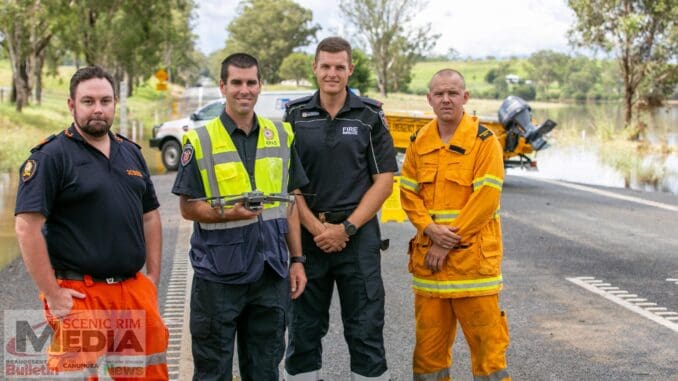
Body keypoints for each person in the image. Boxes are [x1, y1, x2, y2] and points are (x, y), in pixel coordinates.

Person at [14, 66, 168, 380]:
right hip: (79, 295)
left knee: (146, 373)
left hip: (131, 290)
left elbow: (150, 216)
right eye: (88, 101)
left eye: (105, 100)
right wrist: (52, 294)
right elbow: (27, 226)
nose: (98, 108)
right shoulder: (51, 157)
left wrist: (152, 276)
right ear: (72, 105)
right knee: (79, 376)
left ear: (115, 104)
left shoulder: (130, 153)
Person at [171, 52, 308, 381]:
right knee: (212, 371)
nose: (244, 90)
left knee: (264, 370)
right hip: (219, 276)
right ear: (223, 86)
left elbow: (289, 202)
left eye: (251, 82)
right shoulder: (200, 140)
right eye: (236, 83)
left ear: (260, 86)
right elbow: (188, 207)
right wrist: (229, 212)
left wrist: (298, 260)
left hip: (270, 273)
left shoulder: (281, 136)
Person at [284, 36, 397, 381]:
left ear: (350, 70)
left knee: (365, 331)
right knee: (303, 331)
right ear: (315, 69)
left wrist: (345, 228)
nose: (332, 73)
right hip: (308, 240)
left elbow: (384, 181)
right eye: (325, 66)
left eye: (339, 67)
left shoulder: (370, 116)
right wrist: (319, 231)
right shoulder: (295, 116)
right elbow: (290, 186)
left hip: (358, 239)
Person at [399, 69, 510, 381]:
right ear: (429, 100)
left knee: (489, 357)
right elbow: (408, 193)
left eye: (452, 93)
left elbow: (486, 199)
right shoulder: (418, 142)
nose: (445, 99)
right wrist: (429, 229)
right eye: (439, 94)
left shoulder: (485, 142)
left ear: (465, 97)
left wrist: (443, 241)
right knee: (427, 359)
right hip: (431, 272)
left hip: (473, 268)